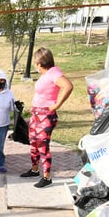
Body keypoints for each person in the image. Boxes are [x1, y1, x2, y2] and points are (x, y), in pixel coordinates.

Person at [20, 47, 74, 188]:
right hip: (36, 114)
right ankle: (34, 170)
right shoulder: (46, 74)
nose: (34, 65)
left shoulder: (53, 73)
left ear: (39, 63)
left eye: (35, 62)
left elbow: (68, 86)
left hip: (45, 115)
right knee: (33, 143)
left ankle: (47, 177)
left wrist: (56, 105)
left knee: (42, 146)